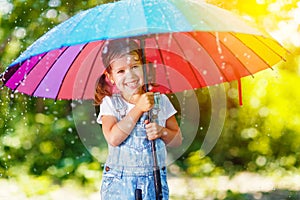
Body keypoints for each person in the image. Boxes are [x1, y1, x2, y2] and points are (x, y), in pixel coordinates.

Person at [94, 39, 182, 200]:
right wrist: (138, 108)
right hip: (119, 183)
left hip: (154, 181)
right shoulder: (110, 103)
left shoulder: (160, 101)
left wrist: (162, 132)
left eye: (135, 67)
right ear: (110, 76)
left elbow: (177, 140)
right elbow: (113, 138)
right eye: (121, 71)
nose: (130, 75)